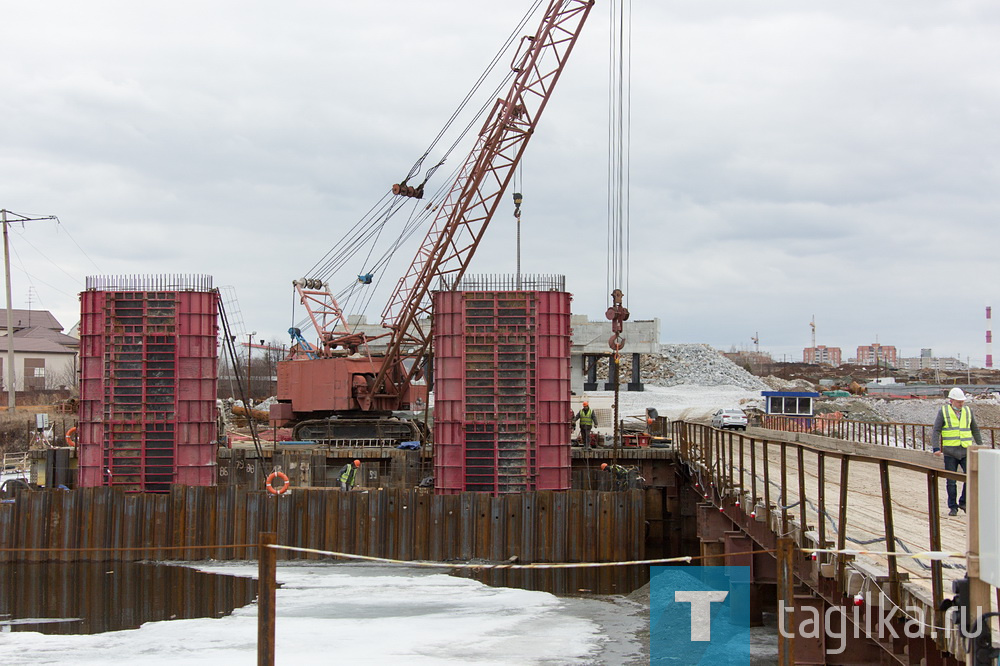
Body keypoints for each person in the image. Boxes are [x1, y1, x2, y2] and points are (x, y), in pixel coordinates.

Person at [932, 388, 982, 516]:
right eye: (959, 402)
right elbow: (936, 430)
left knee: (970, 478)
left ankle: (963, 502)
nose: (961, 404)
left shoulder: (968, 411)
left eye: (962, 401)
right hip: (950, 452)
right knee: (951, 481)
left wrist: (980, 445)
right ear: (952, 400)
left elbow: (975, 429)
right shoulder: (943, 411)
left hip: (966, 450)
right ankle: (953, 507)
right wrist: (936, 448)